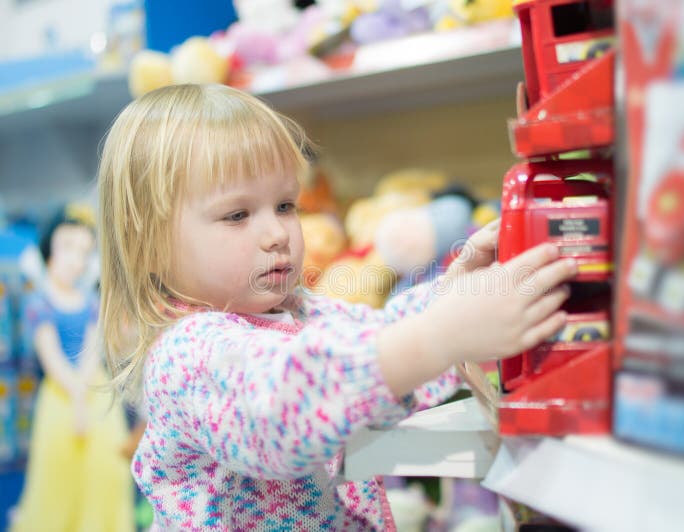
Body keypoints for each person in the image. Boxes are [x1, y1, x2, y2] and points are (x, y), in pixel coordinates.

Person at [97, 84, 577, 530]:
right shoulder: (187, 354)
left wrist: (459, 290)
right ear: (150, 246)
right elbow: (280, 408)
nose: (277, 234)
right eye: (238, 215)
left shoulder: (298, 312)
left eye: (286, 206)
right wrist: (443, 334)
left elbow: (377, 332)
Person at [12, 205, 133, 532]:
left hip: (96, 394)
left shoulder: (91, 303)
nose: (75, 259)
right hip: (61, 401)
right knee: (58, 481)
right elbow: (52, 361)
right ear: (50, 248)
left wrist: (86, 391)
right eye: (68, 247)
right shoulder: (39, 302)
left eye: (84, 250)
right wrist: (78, 397)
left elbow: (93, 350)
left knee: (104, 476)